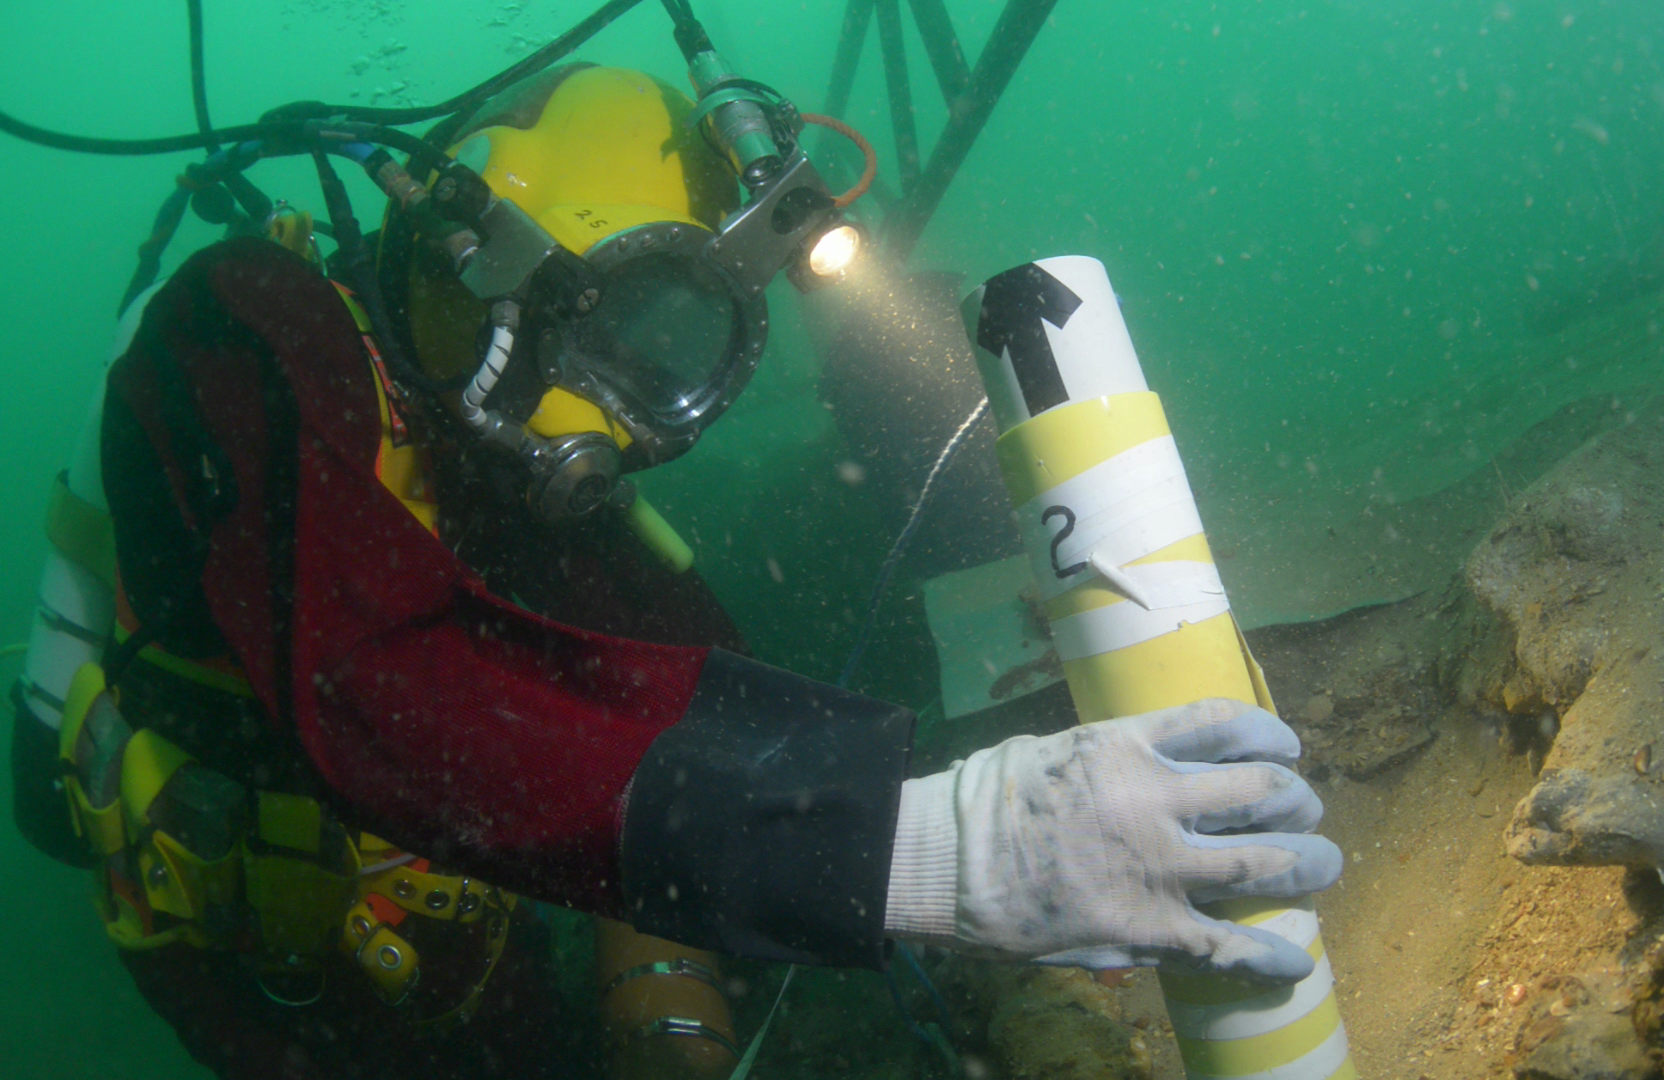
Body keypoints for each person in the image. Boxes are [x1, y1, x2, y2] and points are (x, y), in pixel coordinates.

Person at [10, 61, 1341, 1080]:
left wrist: (950, 818)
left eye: (671, 343)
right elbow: (376, 681)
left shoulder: (499, 437)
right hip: (263, 956)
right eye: (608, 324)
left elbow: (705, 675)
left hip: (464, 900)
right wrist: (929, 846)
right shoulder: (250, 327)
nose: (615, 418)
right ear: (472, 258)